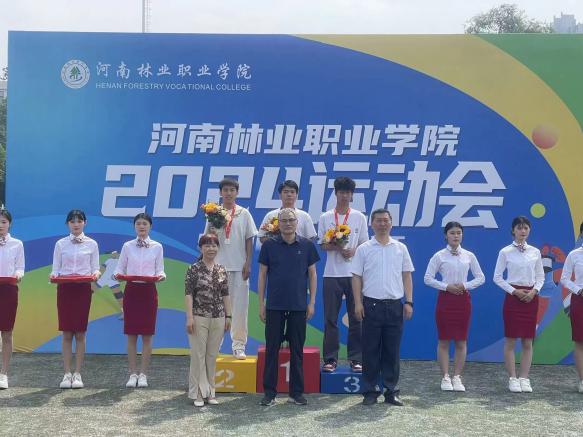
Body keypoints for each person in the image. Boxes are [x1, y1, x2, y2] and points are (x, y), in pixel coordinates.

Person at [352, 208, 414, 406]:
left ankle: (391, 391)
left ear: (391, 223)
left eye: (386, 220)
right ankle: (370, 391)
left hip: (395, 305)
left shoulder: (400, 248)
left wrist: (409, 301)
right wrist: (358, 303)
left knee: (392, 351)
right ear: (372, 224)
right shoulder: (364, 249)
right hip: (371, 305)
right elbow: (356, 277)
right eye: (378, 220)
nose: (382, 224)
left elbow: (407, 275)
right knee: (370, 350)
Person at [258, 208, 319, 406]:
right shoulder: (269, 245)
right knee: (272, 350)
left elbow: (312, 274)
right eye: (283, 220)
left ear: (297, 223)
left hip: (299, 306)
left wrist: (311, 303)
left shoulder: (307, 245)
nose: (287, 224)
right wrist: (261, 304)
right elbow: (262, 275)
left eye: (291, 220)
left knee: (297, 351)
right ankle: (270, 394)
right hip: (274, 306)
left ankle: (296, 393)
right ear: (278, 223)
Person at [423, 221, 485, 392]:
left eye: (458, 233)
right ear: (446, 235)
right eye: (452, 233)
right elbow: (427, 278)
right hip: (445, 300)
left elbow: (481, 278)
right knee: (444, 340)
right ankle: (445, 377)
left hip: (463, 301)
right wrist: (446, 287)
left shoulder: (469, 255)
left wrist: (465, 285)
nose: (456, 236)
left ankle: (457, 376)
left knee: (461, 341)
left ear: (462, 235)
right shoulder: (439, 256)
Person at [318, 176, 368, 373]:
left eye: (348, 192)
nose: (345, 196)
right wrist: (338, 247)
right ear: (336, 193)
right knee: (330, 319)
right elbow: (322, 245)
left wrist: (354, 250)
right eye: (341, 192)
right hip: (331, 275)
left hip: (354, 275)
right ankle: (330, 359)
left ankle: (356, 359)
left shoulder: (359, 217)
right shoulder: (325, 217)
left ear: (352, 195)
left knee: (357, 318)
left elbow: (365, 243)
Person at [205, 178, 257, 359]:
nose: (228, 193)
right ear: (220, 193)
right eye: (225, 190)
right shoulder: (213, 213)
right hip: (217, 268)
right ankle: (215, 345)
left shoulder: (244, 213)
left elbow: (249, 239)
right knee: (216, 309)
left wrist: (248, 262)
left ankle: (239, 346)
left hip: (239, 268)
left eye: (232, 190)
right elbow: (207, 240)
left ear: (237, 192)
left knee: (240, 309)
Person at [50, 209, 101, 389]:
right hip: (65, 289)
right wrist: (53, 275)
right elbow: (56, 268)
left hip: (83, 289)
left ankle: (78, 373)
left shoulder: (92, 244)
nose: (76, 224)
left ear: (85, 223)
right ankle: (66, 374)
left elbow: (95, 268)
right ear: (67, 224)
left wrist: (96, 274)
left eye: (79, 221)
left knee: (80, 333)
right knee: (66, 333)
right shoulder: (60, 244)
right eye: (72, 221)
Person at [493, 215, 544, 393]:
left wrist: (534, 291)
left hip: (531, 298)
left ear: (529, 230)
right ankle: (512, 378)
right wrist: (514, 291)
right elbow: (497, 277)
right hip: (513, 298)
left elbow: (540, 276)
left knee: (528, 341)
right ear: (513, 230)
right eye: (519, 228)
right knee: (511, 340)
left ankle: (524, 377)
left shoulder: (535, 252)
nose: (523, 231)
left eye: (526, 228)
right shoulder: (505, 252)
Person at [115, 213, 165, 388]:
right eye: (138, 224)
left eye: (145, 223)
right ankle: (132, 373)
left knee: (147, 335)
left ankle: (143, 374)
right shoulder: (127, 246)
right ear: (134, 227)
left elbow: (160, 270)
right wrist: (117, 275)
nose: (142, 226)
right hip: (132, 292)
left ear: (150, 226)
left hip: (149, 292)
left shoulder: (157, 247)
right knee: (131, 334)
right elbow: (119, 269)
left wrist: (161, 276)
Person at [184, 234, 232, 407]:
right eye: (207, 245)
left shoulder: (221, 269)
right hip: (199, 316)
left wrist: (228, 316)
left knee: (211, 356)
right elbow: (188, 294)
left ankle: (210, 392)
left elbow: (225, 294)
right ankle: (197, 393)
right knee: (198, 355)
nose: (211, 249)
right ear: (201, 248)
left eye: (214, 245)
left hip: (218, 317)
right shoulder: (193, 269)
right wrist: (189, 317)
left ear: (218, 248)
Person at [0, 207, 25, 390]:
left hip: (8, 290)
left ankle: (4, 374)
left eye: (3, 222)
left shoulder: (17, 244)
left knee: (6, 332)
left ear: (9, 224)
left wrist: (18, 274)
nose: (0, 225)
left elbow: (20, 267)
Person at [560, 238, 583, 393]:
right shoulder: (574, 254)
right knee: (580, 341)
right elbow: (564, 279)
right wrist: (579, 290)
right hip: (579, 299)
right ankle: (582, 380)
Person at [92, 251, 123, 319]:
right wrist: (98, 276)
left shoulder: (119, 261)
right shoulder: (109, 260)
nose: (114, 255)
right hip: (104, 278)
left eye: (115, 254)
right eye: (113, 254)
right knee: (90, 291)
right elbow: (102, 269)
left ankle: (125, 312)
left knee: (119, 296)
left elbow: (102, 268)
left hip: (112, 280)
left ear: (117, 255)